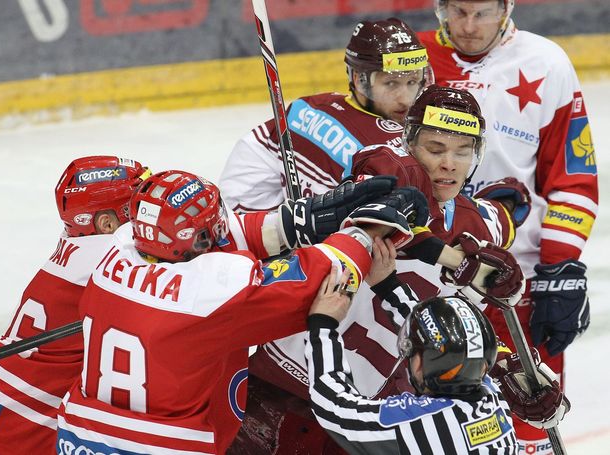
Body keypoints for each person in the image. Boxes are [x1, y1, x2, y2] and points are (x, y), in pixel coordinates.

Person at [226, 84, 530, 454]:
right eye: (435, 149)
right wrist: (455, 258)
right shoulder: (386, 167)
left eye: (462, 152)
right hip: (277, 381)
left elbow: (448, 325)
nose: (448, 163)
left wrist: (514, 364)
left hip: (370, 409)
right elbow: (394, 214)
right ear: (409, 143)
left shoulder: (482, 227)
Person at [54, 170, 424, 455]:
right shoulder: (210, 292)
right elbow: (317, 279)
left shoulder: (117, 252)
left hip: (79, 438)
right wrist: (364, 230)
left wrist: (296, 220)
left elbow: (213, 240)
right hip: (159, 445)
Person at [417, 1, 597, 451]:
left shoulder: (546, 63)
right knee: (433, 421)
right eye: (458, 11)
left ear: (506, 7)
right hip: (429, 270)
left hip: (515, 277)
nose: (469, 26)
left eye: (482, 13)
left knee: (529, 417)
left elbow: (573, 177)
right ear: (440, 8)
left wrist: (560, 270)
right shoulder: (411, 62)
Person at [0, 156, 151, 455]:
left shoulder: (77, 245)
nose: (148, 222)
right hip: (11, 431)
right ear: (106, 222)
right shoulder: (114, 262)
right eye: (133, 210)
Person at [305, 238, 569, 454]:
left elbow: (336, 409)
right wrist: (387, 285)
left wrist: (322, 324)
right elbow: (439, 336)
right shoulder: (492, 400)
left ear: (420, 364)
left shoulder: (421, 422)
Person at [219, 18, 433, 210]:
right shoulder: (392, 147)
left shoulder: (308, 106)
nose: (405, 98)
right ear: (359, 80)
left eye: (412, 82)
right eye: (391, 83)